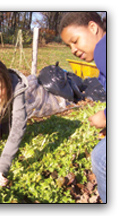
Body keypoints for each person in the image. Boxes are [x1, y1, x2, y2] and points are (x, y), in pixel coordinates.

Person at [59, 12, 106, 203]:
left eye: (75, 40)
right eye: (69, 46)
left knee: (101, 158)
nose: (73, 49)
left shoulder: (104, 50)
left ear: (93, 28)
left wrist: (105, 116)